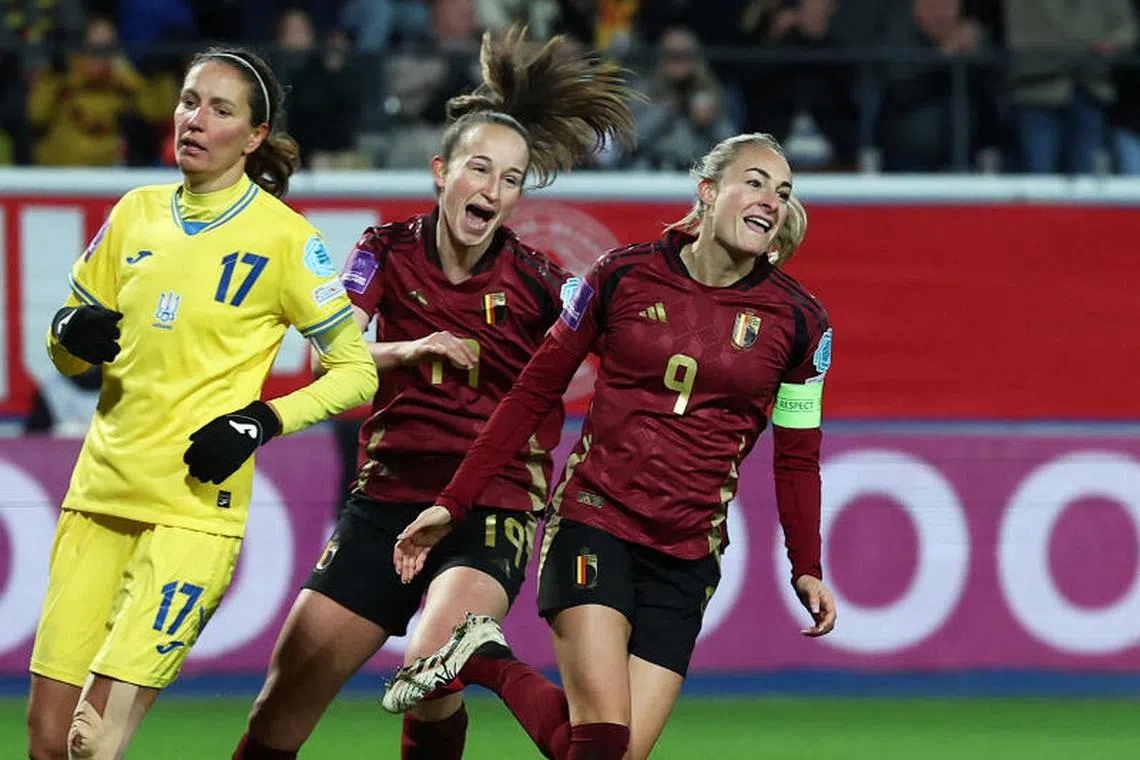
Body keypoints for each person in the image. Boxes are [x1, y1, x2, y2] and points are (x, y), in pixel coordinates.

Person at [231, 25, 637, 760]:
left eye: (512, 179)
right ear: (441, 171)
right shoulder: (383, 251)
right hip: (385, 500)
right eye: (480, 170)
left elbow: (627, 351)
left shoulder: (542, 282)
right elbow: (331, 357)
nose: (494, 190)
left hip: (491, 506)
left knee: (433, 657)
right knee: (276, 712)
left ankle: (470, 684)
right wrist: (408, 350)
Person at [386, 132, 838, 760]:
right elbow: (530, 394)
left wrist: (806, 564)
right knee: (600, 743)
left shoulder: (801, 324)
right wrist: (454, 502)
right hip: (596, 523)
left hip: (687, 552)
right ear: (707, 192)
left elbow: (797, 454)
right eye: (755, 181)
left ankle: (479, 656)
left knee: (607, 754)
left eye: (783, 192)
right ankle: (482, 657)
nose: (772, 199)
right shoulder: (623, 275)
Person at [25, 46, 378, 760]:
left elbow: (356, 371)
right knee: (44, 743)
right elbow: (69, 351)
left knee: (92, 744)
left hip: (190, 518)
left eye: (220, 109)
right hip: (97, 498)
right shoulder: (135, 214)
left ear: (252, 137)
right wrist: (68, 333)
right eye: (190, 100)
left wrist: (263, 419)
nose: (195, 119)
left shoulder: (286, 240)